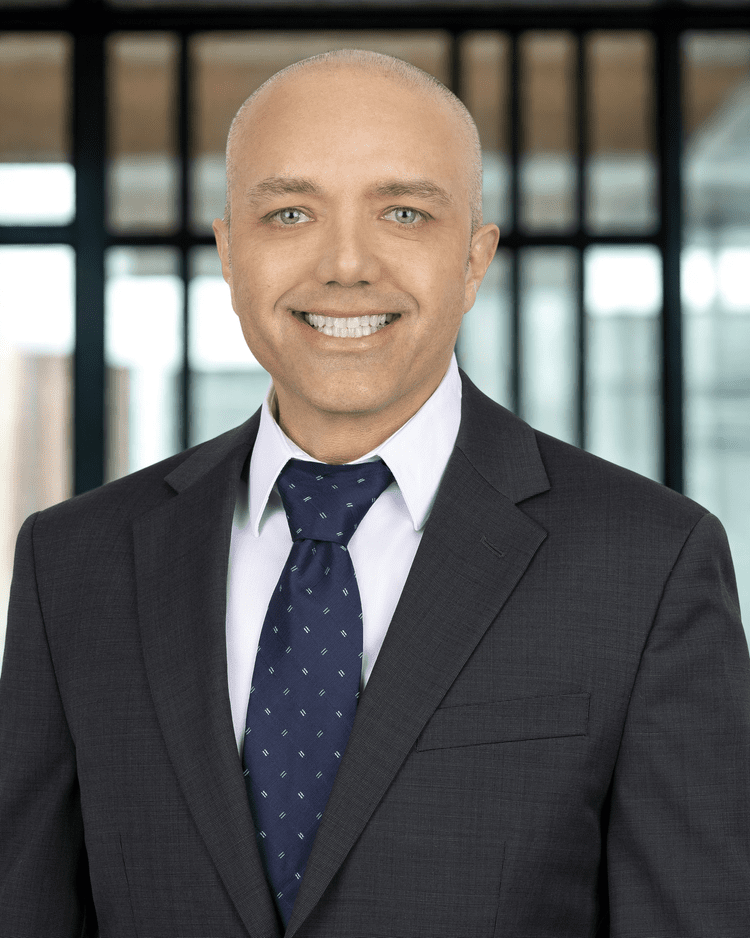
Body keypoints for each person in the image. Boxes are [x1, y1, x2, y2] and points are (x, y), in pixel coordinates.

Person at [1, 48, 748, 938]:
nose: (347, 265)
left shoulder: (649, 564)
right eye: (289, 213)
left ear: (474, 261)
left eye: (403, 212)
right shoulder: (72, 563)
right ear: (231, 255)